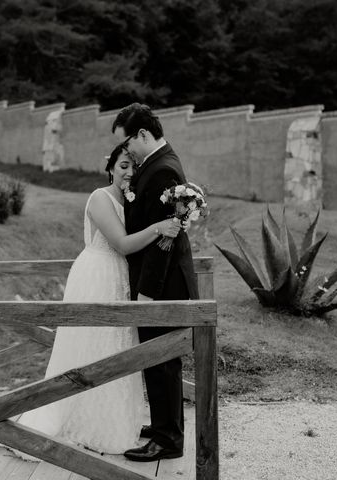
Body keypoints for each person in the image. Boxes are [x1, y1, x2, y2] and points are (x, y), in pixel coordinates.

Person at [0, 145, 180, 457]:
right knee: (87, 348)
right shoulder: (100, 198)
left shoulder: (128, 199)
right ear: (111, 167)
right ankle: (72, 416)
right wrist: (159, 228)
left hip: (118, 276)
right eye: (123, 166)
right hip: (97, 275)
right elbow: (122, 244)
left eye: (134, 167)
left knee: (115, 346)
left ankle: (106, 421)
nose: (129, 172)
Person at [112, 103, 199, 462]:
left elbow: (164, 243)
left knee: (162, 360)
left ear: (143, 134)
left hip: (162, 284)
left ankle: (168, 439)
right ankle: (164, 424)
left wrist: (146, 292)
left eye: (128, 142)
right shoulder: (158, 164)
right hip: (160, 281)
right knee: (157, 360)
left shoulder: (163, 171)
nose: (127, 151)